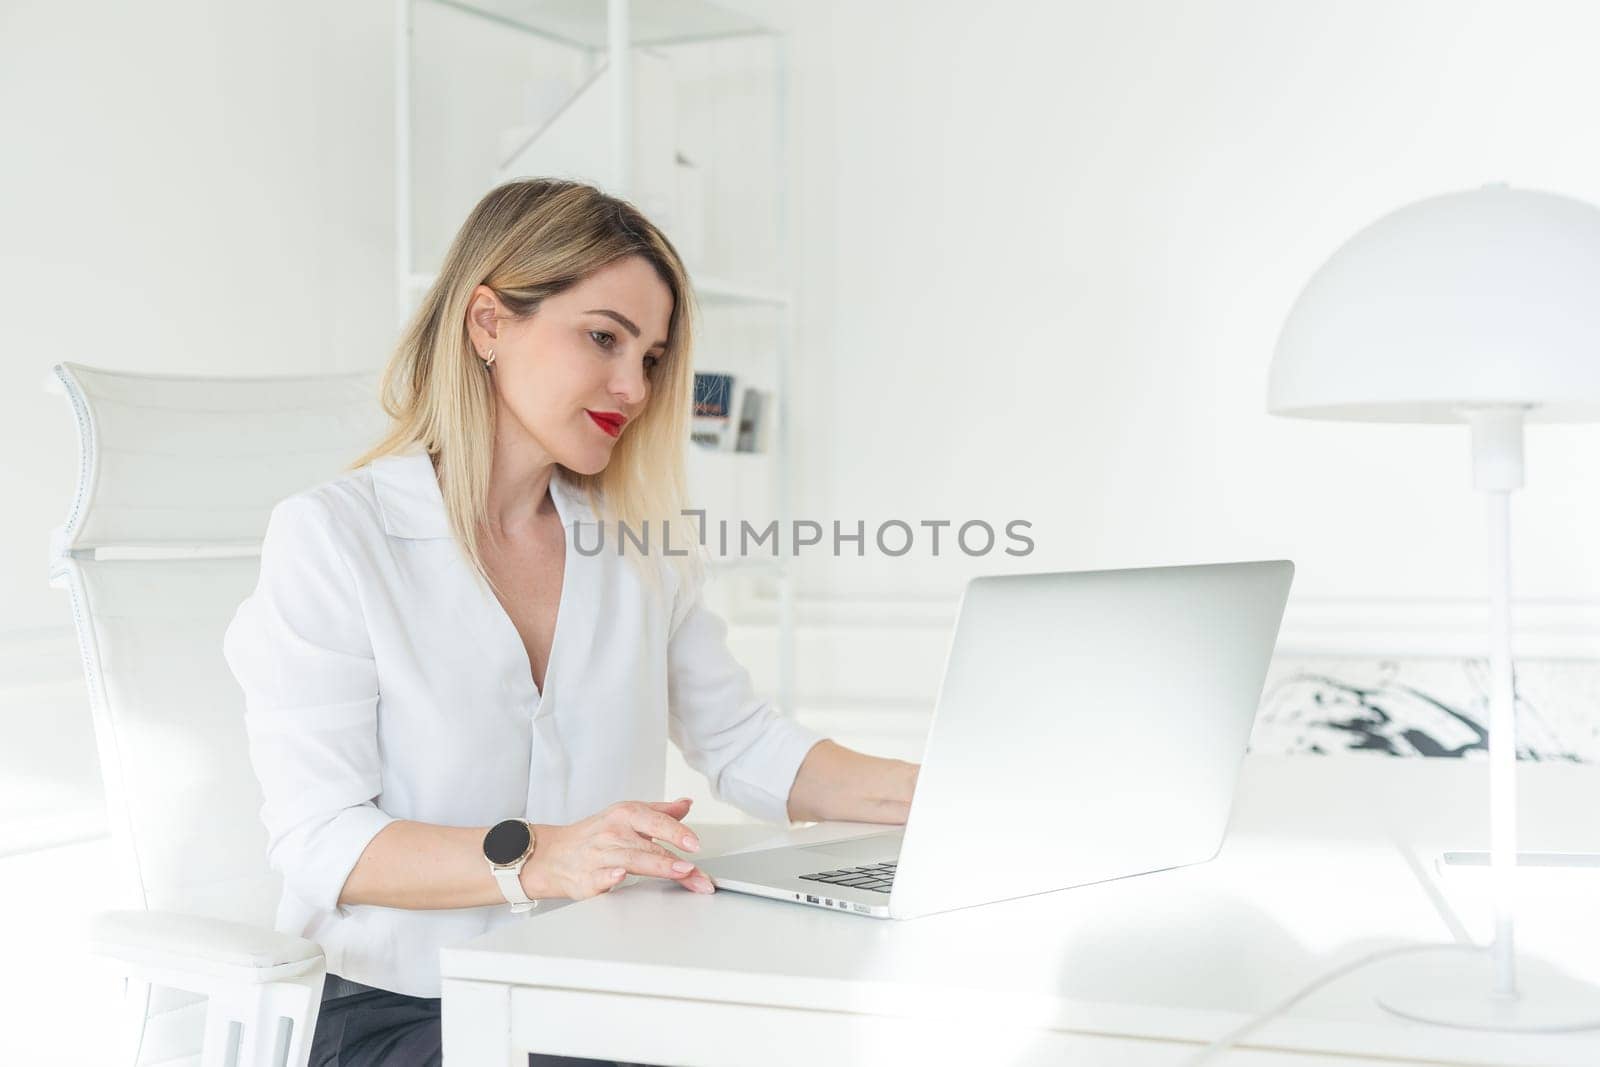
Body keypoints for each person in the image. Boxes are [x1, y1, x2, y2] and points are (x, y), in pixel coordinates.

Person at [222, 178, 920, 1066]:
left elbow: (743, 743)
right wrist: (544, 856)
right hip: (397, 1010)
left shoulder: (640, 547)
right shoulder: (334, 538)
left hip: (593, 990)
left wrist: (944, 795)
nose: (633, 387)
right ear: (488, 324)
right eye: (604, 337)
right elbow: (320, 839)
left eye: (654, 358)